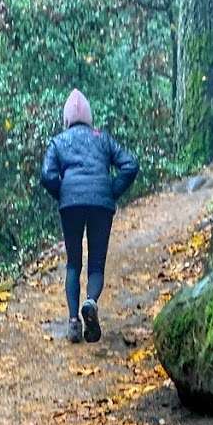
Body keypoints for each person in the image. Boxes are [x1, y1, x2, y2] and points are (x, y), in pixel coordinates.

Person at [40, 89, 139, 344]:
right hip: (100, 205)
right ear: (90, 118)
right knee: (96, 265)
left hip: (70, 205)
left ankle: (73, 322)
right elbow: (130, 165)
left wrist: (63, 194)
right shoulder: (103, 139)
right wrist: (111, 191)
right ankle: (90, 302)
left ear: (66, 120)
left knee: (73, 263)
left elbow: (47, 176)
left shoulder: (58, 142)